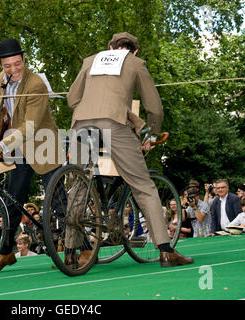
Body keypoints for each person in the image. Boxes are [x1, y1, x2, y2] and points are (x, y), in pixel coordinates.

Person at [66, 32, 193, 267]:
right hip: (115, 124)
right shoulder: (136, 63)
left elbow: (72, 99)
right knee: (143, 186)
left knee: (79, 185)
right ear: (134, 51)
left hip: (81, 124)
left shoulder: (90, 60)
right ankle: (166, 251)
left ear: (110, 47)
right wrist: (151, 133)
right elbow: (154, 107)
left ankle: (70, 252)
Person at [0, 38, 64, 273]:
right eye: (7, 66)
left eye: (17, 64)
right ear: (0, 64)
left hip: (42, 145)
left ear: (24, 60)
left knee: (58, 203)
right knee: (11, 203)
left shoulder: (36, 84)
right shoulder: (1, 80)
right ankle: (6, 253)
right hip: (18, 148)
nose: (13, 70)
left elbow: (31, 126)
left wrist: (2, 146)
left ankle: (83, 248)